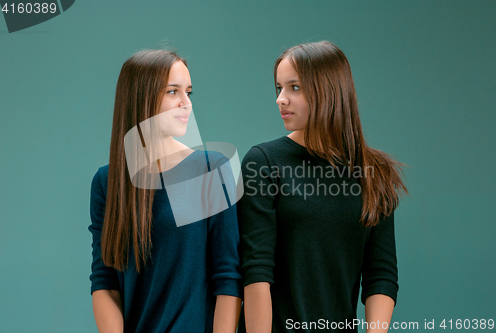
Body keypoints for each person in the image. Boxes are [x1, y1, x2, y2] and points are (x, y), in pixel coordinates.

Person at [237, 41, 408, 333]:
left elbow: (381, 275)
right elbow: (256, 272)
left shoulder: (374, 173)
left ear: (328, 91)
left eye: (294, 87)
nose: (280, 99)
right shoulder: (263, 163)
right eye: (279, 88)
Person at [89, 49, 242, 333]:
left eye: (189, 92)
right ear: (141, 98)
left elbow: (228, 278)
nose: (187, 104)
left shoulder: (213, 170)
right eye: (173, 92)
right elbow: (105, 281)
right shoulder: (106, 182)